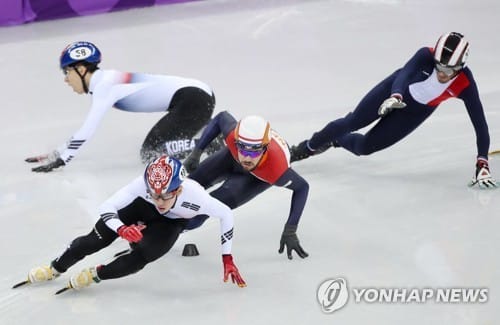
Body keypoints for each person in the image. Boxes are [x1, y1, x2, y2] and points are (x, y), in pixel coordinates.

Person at [290, 32, 497, 189]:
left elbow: (480, 124)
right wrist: (396, 95)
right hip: (391, 91)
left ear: (461, 66)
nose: (442, 74)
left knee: (364, 148)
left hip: (414, 113)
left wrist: (482, 162)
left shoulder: (465, 84)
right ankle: (305, 149)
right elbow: (405, 74)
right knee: (351, 122)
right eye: (439, 67)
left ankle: (337, 140)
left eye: (449, 70)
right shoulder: (426, 54)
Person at [16, 155, 246, 292]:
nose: (159, 201)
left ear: (178, 189)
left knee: (142, 257)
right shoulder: (142, 186)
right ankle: (54, 268)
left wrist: (227, 257)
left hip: (170, 224)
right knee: (92, 241)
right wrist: (122, 229)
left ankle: (96, 274)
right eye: (154, 194)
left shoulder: (196, 197)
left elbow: (226, 215)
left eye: (165, 195)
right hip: (138, 209)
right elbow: (106, 208)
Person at [25, 41, 220, 172]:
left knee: (151, 152)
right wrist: (56, 152)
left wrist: (61, 159)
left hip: (194, 99)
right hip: (195, 97)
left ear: (82, 69)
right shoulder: (107, 80)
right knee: (153, 149)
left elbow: (87, 129)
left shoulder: (105, 86)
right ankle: (211, 129)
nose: (66, 79)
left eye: (67, 72)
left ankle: (213, 144)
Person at [182, 111, 309, 260]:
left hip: (256, 179)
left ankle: (166, 232)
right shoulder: (231, 134)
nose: (247, 158)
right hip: (231, 158)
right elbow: (221, 117)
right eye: (243, 148)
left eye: (254, 151)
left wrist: (290, 229)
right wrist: (196, 153)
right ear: (236, 142)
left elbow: (302, 188)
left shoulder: (277, 170)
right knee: (184, 188)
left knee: (203, 209)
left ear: (265, 148)